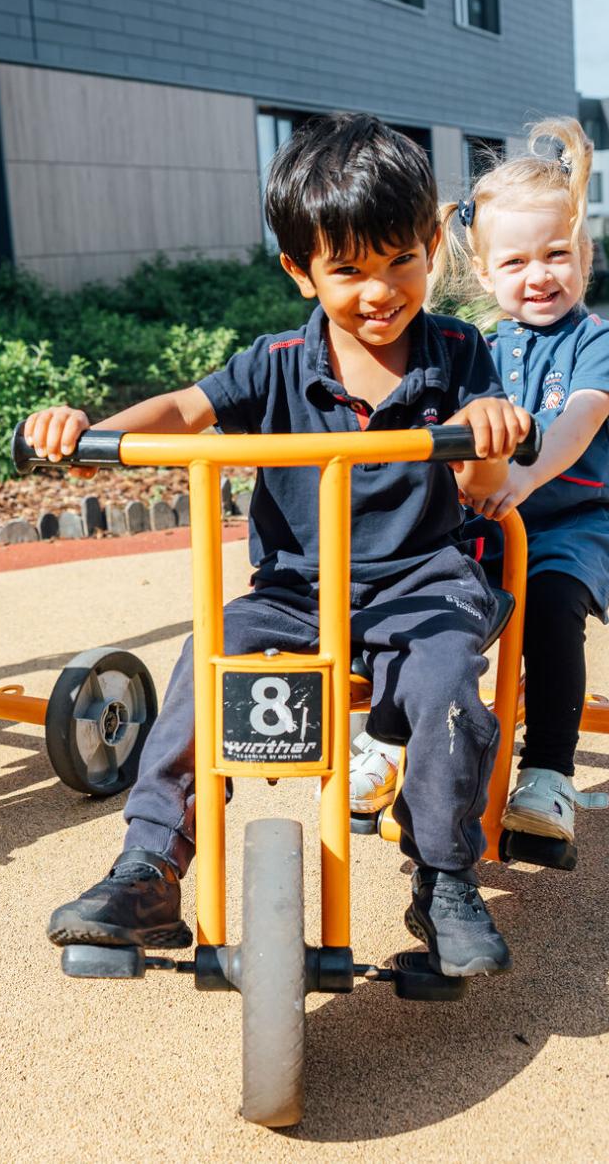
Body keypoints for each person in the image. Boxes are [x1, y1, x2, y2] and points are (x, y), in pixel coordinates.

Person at [27, 113, 531, 978]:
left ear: (432, 242)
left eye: (401, 261)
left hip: (424, 581)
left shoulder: (458, 353)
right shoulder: (274, 363)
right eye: (349, 271)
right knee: (209, 655)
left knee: (448, 680)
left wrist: (485, 434)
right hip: (297, 590)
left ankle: (444, 877)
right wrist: (90, 434)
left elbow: (486, 489)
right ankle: (150, 867)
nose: (380, 291)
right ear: (302, 270)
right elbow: (186, 411)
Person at [430, 117, 609, 851]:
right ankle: (404, 743)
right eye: (517, 261)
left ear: (584, 254)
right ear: (486, 274)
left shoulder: (601, 342)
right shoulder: (477, 348)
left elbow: (579, 423)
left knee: (551, 607)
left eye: (557, 254)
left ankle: (548, 771)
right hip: (490, 522)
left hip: (572, 524)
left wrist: (520, 475)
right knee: (428, 604)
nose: (540, 274)